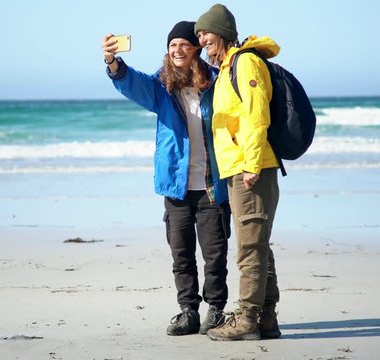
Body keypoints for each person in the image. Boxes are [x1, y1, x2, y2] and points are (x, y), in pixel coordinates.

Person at [102, 21, 232, 336]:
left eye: (184, 44)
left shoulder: (217, 83)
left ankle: (215, 311)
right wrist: (112, 62)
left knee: (215, 254)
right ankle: (189, 312)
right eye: (173, 45)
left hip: (212, 186)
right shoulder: (162, 86)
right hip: (176, 185)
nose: (177, 50)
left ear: (197, 49)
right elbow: (132, 83)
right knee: (181, 253)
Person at [194, 4, 282, 341]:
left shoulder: (246, 62)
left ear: (223, 33)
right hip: (239, 169)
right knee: (257, 244)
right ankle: (267, 318)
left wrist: (251, 164)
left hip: (252, 169)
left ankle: (247, 321)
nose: (202, 40)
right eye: (199, 35)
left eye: (206, 33)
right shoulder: (228, 67)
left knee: (249, 248)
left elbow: (257, 116)